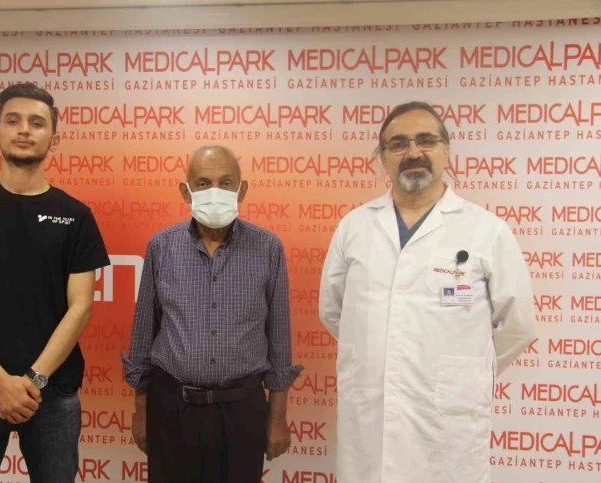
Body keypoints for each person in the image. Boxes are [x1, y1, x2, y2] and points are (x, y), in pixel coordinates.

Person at [318, 101, 535, 483]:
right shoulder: (355, 227)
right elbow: (333, 310)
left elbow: (517, 326)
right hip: (370, 414)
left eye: (426, 140)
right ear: (382, 158)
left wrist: (465, 372)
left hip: (447, 421)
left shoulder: (486, 231)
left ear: (446, 151)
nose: (413, 152)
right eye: (398, 144)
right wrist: (383, 354)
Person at [0, 83, 111, 483]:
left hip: (52, 390)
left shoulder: (76, 216)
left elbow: (81, 308)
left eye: (36, 122)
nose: (24, 129)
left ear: (54, 138)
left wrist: (33, 380)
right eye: (13, 120)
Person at [122, 145, 303, 483]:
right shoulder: (162, 246)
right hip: (171, 407)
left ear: (242, 190)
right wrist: (141, 412)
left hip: (241, 410)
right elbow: (144, 332)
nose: (215, 191)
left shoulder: (268, 248)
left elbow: (279, 336)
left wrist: (277, 417)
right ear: (186, 191)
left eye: (226, 182)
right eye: (203, 183)